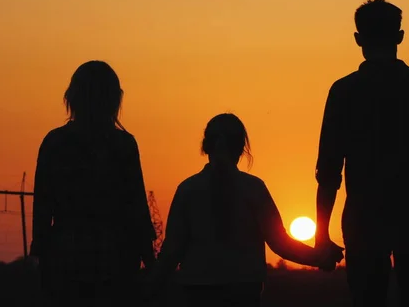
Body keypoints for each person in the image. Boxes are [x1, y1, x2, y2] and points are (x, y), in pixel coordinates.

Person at [313, 0, 409, 307]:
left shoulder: (344, 91)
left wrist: (321, 235)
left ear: (358, 40)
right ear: (400, 36)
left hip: (363, 221)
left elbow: (328, 173)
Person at [148, 113, 344, 307]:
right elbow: (280, 243)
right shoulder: (254, 188)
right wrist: (320, 258)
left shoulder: (187, 190)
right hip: (243, 291)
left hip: (198, 291)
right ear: (241, 149)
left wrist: (150, 290)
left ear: (206, 146)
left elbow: (172, 250)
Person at [30, 60, 157, 307]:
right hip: (117, 260)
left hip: (66, 259)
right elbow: (137, 209)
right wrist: (151, 265)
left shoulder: (54, 143)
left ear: (72, 97)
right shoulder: (123, 145)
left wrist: (42, 260)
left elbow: (42, 210)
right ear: (114, 100)